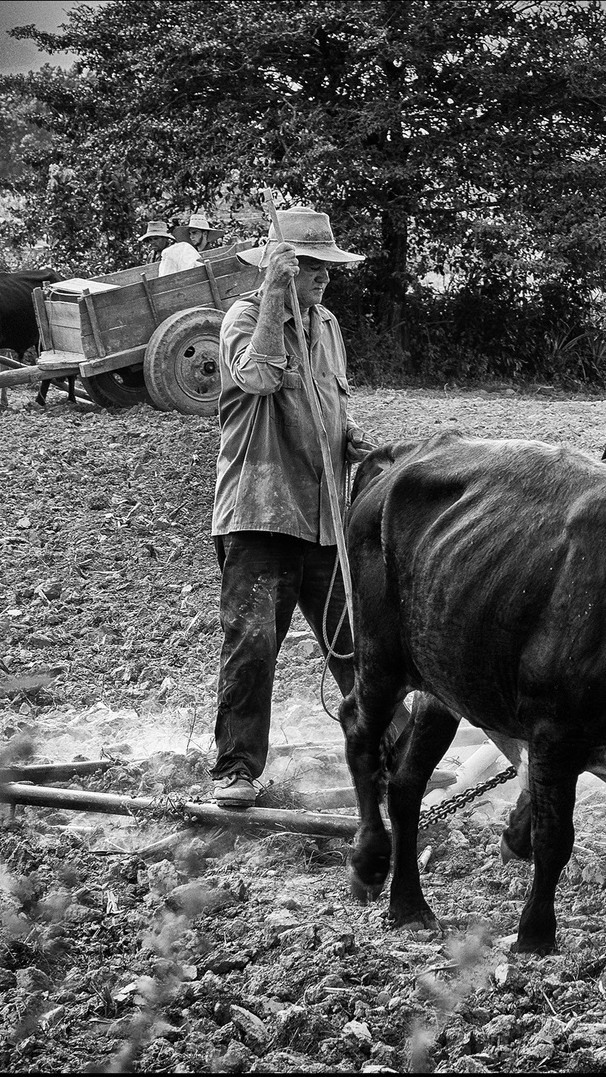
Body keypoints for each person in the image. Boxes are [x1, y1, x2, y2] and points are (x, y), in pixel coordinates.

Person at [209, 205, 373, 807]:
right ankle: (236, 768)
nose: (323, 276)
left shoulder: (327, 322)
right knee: (251, 646)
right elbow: (257, 378)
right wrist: (276, 298)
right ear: (280, 268)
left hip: (324, 512)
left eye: (326, 265)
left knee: (353, 642)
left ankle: (386, 751)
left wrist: (349, 434)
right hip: (260, 512)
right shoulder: (245, 318)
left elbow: (332, 398)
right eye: (308, 266)